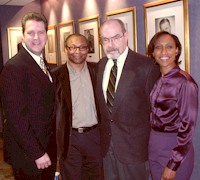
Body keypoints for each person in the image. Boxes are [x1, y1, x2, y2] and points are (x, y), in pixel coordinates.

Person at [96, 19, 160, 180]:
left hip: (134, 152)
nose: (111, 44)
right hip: (107, 149)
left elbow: (155, 113)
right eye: (105, 39)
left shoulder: (146, 66)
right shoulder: (101, 65)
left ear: (126, 36)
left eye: (116, 37)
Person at [0, 12, 57, 180]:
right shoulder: (14, 67)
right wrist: (37, 153)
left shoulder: (40, 62)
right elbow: (16, 118)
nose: (36, 37)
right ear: (23, 35)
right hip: (30, 154)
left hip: (45, 146)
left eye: (41, 32)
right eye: (31, 32)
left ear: (47, 35)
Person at [147, 31, 198, 180]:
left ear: (177, 50)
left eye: (169, 47)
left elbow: (188, 127)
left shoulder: (185, 82)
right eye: (158, 47)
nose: (163, 52)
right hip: (154, 144)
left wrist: (173, 164)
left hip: (174, 147)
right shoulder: (157, 79)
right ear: (153, 52)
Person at [52, 33, 103, 180]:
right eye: (73, 47)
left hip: (94, 136)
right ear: (66, 49)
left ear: (88, 49)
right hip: (69, 137)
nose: (78, 51)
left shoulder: (98, 71)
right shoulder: (56, 76)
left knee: (97, 175)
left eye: (82, 47)